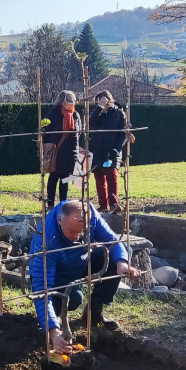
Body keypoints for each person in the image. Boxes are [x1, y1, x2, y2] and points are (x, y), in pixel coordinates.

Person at [28, 200, 143, 354]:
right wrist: (53, 332)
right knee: (74, 299)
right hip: (58, 273)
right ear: (59, 221)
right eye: (71, 231)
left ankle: (94, 311)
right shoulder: (47, 239)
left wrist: (122, 263)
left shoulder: (90, 214)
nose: (77, 237)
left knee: (120, 253)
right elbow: (42, 287)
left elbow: (112, 241)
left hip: (82, 260)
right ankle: (53, 323)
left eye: (81, 232)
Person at [89, 90, 127, 214]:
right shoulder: (96, 113)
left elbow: (122, 134)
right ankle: (103, 205)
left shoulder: (118, 113)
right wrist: (99, 108)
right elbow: (90, 124)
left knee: (112, 177)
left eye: (104, 104)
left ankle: (113, 204)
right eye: (99, 104)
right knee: (99, 178)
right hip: (96, 150)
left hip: (112, 150)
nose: (103, 107)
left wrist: (116, 150)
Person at [44, 90, 82, 209]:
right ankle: (50, 204)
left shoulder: (75, 114)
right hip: (56, 151)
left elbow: (79, 131)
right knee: (53, 176)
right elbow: (45, 132)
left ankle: (63, 203)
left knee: (65, 177)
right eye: (69, 100)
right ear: (62, 101)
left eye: (73, 100)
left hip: (70, 151)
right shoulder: (52, 114)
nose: (71, 103)